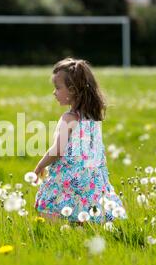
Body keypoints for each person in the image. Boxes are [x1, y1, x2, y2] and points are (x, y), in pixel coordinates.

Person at [33, 57, 127, 224]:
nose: (54, 92)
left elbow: (57, 150)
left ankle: (56, 237)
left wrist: (41, 165)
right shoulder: (93, 117)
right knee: (85, 211)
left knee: (46, 206)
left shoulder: (69, 118)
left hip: (70, 177)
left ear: (72, 90)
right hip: (92, 178)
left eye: (57, 88)